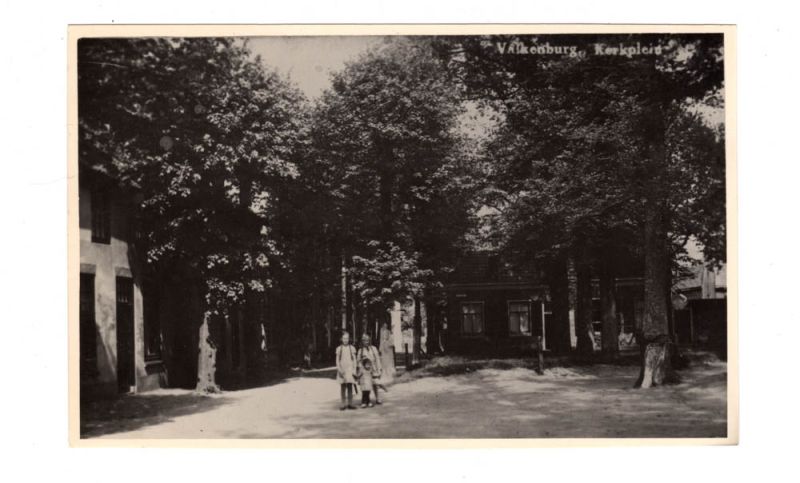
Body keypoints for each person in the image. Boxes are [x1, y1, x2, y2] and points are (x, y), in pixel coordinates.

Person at [358, 332, 386, 405]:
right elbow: (358, 361)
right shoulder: (360, 351)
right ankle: (366, 400)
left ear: (369, 340)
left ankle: (378, 398)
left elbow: (377, 359)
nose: (366, 342)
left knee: (376, 383)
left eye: (367, 340)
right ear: (362, 341)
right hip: (366, 371)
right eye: (364, 340)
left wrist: (379, 369)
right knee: (367, 385)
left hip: (374, 369)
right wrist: (361, 369)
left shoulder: (374, 349)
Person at [335, 331, 358, 410]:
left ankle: (350, 403)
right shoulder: (339, 349)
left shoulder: (352, 348)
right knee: (343, 387)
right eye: (344, 338)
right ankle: (343, 404)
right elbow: (337, 360)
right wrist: (339, 369)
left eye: (347, 338)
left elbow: (354, 359)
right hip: (342, 369)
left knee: (350, 386)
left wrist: (354, 369)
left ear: (349, 339)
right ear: (341, 339)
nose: (345, 340)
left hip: (350, 369)